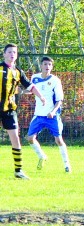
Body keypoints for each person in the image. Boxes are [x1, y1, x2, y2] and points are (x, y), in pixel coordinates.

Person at [0, 43, 46, 180]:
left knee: (16, 140)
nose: (12, 54)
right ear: (4, 54)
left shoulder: (18, 71)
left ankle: (18, 171)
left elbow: (30, 86)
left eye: (14, 52)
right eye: (9, 52)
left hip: (9, 110)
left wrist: (41, 96)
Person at [26, 56, 72, 173]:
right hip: (38, 115)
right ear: (41, 66)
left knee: (58, 140)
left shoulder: (56, 81)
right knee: (30, 138)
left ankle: (67, 165)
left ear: (52, 67)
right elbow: (31, 90)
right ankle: (42, 156)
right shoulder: (35, 78)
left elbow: (59, 100)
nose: (47, 67)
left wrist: (53, 111)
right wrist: (20, 91)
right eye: (45, 64)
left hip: (52, 116)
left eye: (49, 65)